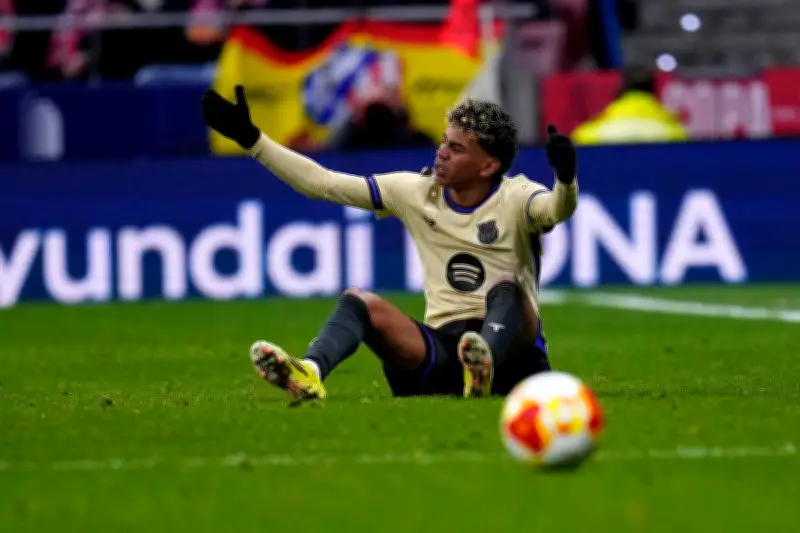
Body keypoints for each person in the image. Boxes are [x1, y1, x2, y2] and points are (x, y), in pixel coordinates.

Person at [201, 86, 580, 405]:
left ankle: (485, 367)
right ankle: (309, 372)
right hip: (444, 352)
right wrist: (253, 140)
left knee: (507, 287)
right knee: (360, 302)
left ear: (488, 167)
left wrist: (565, 180)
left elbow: (555, 209)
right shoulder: (415, 191)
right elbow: (322, 183)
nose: (442, 152)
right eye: (444, 142)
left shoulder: (517, 197)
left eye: (457, 148)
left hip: (514, 358)